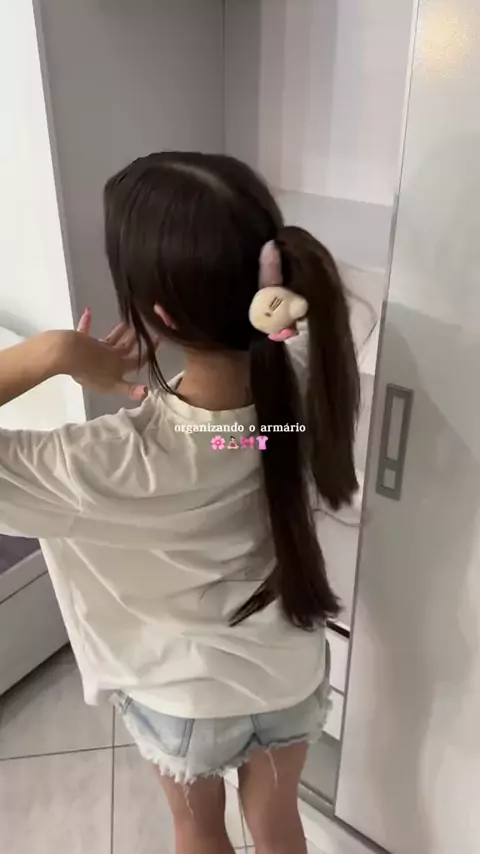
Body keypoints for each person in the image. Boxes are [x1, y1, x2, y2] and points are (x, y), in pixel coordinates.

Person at [0, 152, 359, 854]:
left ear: (157, 315)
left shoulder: (107, 462)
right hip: (288, 669)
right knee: (277, 822)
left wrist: (54, 353)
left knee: (196, 827)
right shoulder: (300, 380)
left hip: (186, 697)